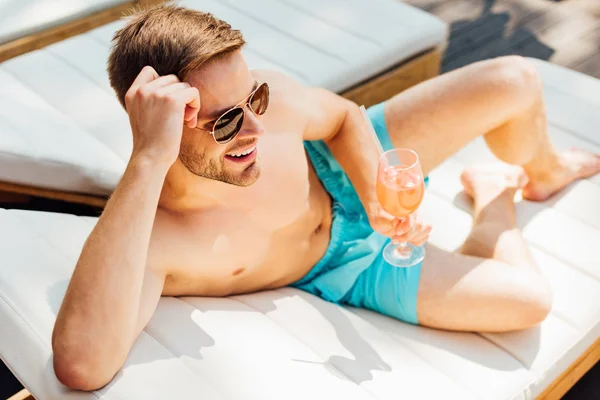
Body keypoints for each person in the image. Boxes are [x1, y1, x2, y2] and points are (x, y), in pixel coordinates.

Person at [51, 4, 600, 391]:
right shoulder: (158, 235)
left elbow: (340, 116)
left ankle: (546, 170)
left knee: (514, 78)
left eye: (255, 98)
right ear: (157, 125)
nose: (257, 129)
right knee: (528, 300)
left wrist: (375, 192)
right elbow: (82, 364)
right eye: (224, 123)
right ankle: (493, 200)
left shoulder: (260, 103)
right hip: (347, 265)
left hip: (339, 173)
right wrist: (148, 158)